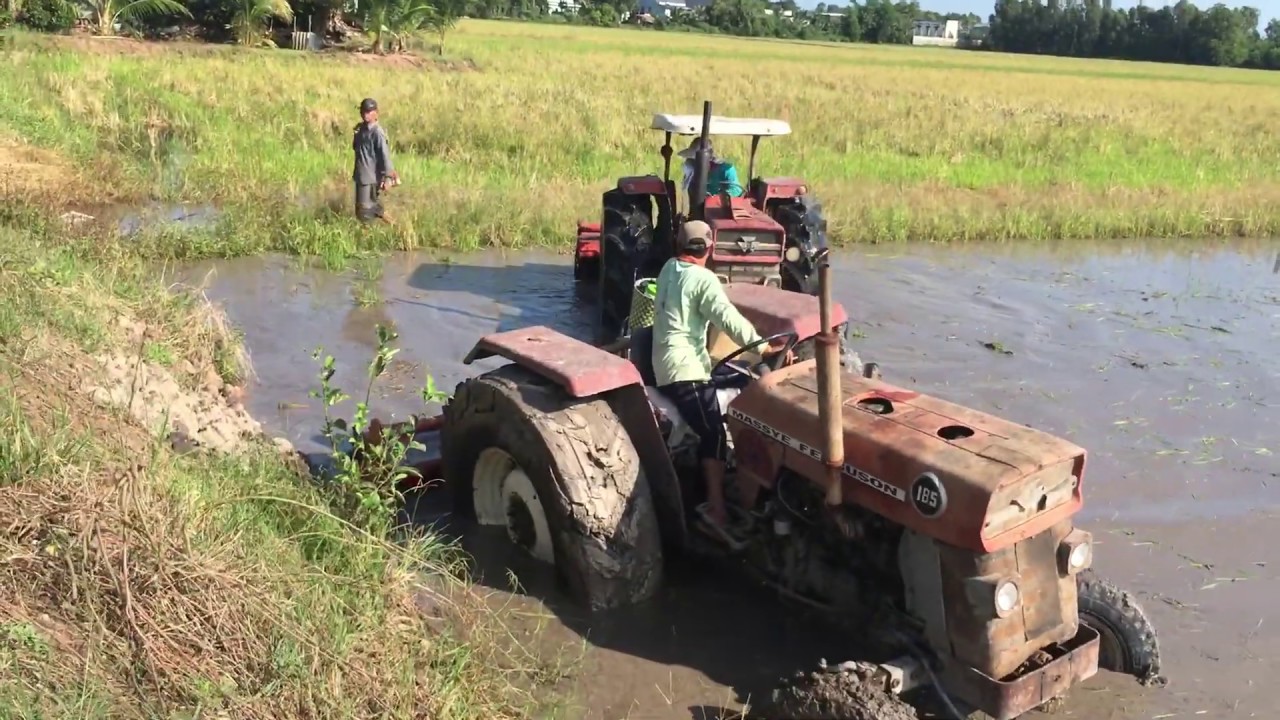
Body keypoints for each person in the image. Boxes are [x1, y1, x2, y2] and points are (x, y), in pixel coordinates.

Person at [652, 220, 793, 549]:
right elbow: (726, 317)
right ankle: (717, 508)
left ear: (679, 246)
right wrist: (763, 348)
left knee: (742, 379)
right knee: (713, 431)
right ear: (710, 248)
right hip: (684, 371)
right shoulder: (704, 279)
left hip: (669, 364)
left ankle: (731, 472)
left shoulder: (669, 269)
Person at [351, 97, 399, 222]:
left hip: (370, 177)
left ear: (376, 113)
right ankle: (394, 224)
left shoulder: (377, 132)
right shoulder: (360, 130)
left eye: (368, 111)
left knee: (365, 210)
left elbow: (385, 155)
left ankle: (368, 235)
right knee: (370, 206)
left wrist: (388, 177)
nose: (365, 114)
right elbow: (356, 148)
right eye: (363, 111)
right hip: (361, 175)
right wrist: (356, 135)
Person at [678, 136, 744, 200]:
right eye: (693, 160)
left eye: (696, 160)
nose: (694, 162)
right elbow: (688, 190)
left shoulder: (726, 169)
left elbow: (736, 190)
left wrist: (717, 198)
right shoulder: (691, 170)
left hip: (722, 206)